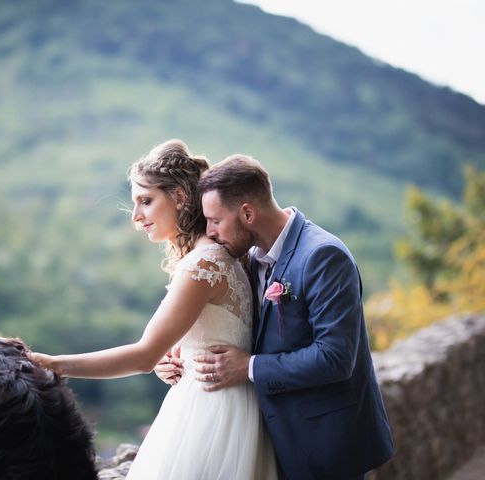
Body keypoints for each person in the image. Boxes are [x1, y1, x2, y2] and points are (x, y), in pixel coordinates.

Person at [30, 140, 277, 480]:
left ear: (178, 197)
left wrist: (52, 364)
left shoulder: (202, 265)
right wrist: (175, 356)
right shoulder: (215, 257)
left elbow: (143, 356)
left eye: (146, 201)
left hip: (210, 413)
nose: (136, 216)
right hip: (225, 404)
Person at [156, 154, 394, 479]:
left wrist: (248, 367)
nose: (208, 233)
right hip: (269, 436)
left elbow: (336, 357)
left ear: (248, 213)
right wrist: (183, 353)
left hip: (324, 439)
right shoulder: (250, 256)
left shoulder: (323, 255)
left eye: (214, 220)